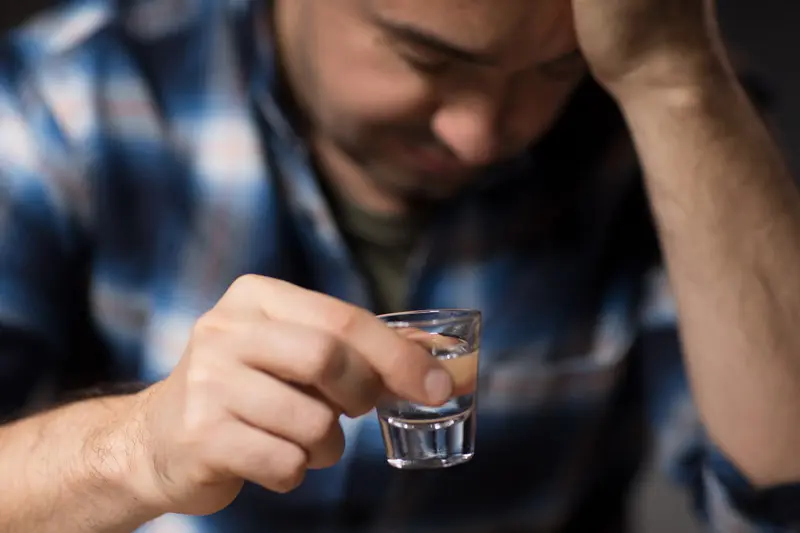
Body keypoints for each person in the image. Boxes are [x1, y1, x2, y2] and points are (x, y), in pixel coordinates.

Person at [1, 0, 799, 531]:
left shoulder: (671, 127)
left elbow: (779, 503)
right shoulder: (71, 95)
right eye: (427, 58)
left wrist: (675, 81)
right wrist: (137, 448)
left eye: (554, 70)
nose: (479, 134)